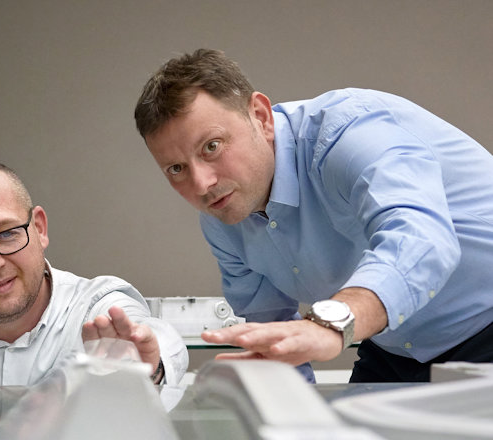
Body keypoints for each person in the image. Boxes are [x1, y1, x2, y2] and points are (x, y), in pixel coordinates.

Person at [133, 48, 493, 382]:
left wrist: (330, 324)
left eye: (212, 147)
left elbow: (422, 240)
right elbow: (273, 331)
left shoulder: (348, 134)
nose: (201, 183)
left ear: (260, 116)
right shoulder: (222, 217)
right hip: (395, 348)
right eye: (176, 169)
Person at [0, 160, 187, 386]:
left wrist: (151, 368)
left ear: (39, 228)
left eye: (7, 234)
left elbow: (152, 336)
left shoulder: (97, 307)